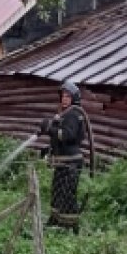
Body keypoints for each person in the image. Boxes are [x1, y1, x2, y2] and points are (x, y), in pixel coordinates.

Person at [38, 80, 90, 232]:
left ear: (74, 98)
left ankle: (72, 227)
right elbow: (60, 140)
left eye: (68, 96)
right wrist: (48, 149)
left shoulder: (74, 114)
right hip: (63, 162)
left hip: (71, 163)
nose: (64, 99)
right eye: (63, 96)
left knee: (67, 195)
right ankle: (55, 221)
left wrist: (51, 130)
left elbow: (67, 136)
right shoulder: (64, 114)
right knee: (56, 193)